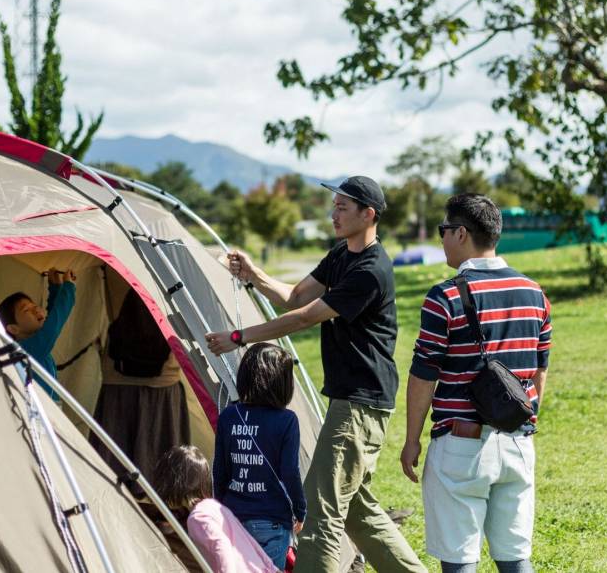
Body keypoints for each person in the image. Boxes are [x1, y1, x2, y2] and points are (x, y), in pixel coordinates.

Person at [205, 176, 425, 573]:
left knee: (321, 511)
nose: (333, 214)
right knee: (358, 511)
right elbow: (295, 296)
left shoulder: (371, 270)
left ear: (368, 214)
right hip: (353, 399)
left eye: (343, 207)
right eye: (334, 205)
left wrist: (239, 337)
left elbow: (306, 317)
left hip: (360, 403)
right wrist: (254, 275)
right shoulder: (341, 254)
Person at [399, 194, 552, 573]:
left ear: (462, 233)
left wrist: (412, 439)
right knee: (516, 559)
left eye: (444, 230)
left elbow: (423, 376)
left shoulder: (444, 296)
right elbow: (539, 370)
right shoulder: (535, 294)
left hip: (460, 446)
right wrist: (524, 422)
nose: (441, 239)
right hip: (518, 442)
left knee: (460, 561)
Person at [214, 343, 306, 569]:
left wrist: (221, 507)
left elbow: (220, 470)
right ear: (283, 383)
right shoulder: (287, 421)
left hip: (235, 518)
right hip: (273, 522)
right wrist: (300, 509)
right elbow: (290, 472)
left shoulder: (228, 416)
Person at [92, 286, 190, 487]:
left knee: (115, 453)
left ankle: (114, 490)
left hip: (118, 385)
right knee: (157, 448)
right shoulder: (173, 285)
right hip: (161, 383)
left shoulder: (108, 277)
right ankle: (160, 495)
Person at [154, 445, 278, 573]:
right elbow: (249, 540)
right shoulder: (214, 506)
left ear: (176, 482)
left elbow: (221, 546)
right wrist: (272, 567)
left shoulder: (197, 518)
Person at [0, 268, 77, 400]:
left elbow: (50, 321)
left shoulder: (34, 344)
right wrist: (68, 288)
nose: (36, 310)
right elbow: (53, 326)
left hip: (50, 414)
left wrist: (56, 287)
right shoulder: (24, 351)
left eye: (34, 307)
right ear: (13, 329)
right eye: (27, 310)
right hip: (40, 417)